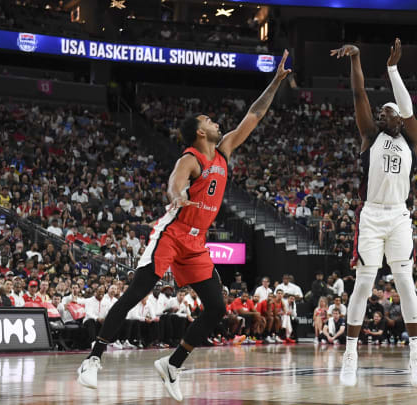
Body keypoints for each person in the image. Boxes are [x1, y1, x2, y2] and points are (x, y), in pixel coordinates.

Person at [76, 51, 292, 402]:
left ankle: (173, 363)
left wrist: (276, 81)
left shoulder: (224, 151)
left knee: (217, 308)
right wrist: (177, 196)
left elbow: (255, 114)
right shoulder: (191, 158)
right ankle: (93, 359)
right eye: (209, 119)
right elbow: (175, 182)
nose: (216, 122)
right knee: (136, 293)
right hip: (171, 235)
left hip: (196, 242)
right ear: (198, 131)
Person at [331, 38, 417, 387]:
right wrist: (356, 60)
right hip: (370, 216)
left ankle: (416, 354)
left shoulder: (411, 138)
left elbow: (407, 107)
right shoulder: (371, 135)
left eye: (393, 112)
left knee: (405, 283)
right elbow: (359, 97)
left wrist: (392, 69)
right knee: (364, 284)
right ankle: (350, 354)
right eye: (385, 112)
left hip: (399, 216)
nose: (388, 115)